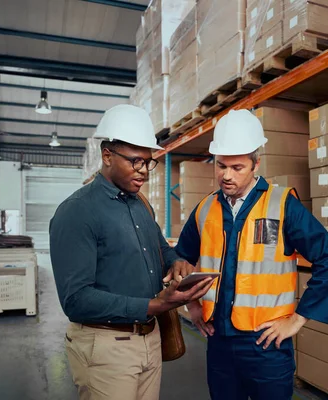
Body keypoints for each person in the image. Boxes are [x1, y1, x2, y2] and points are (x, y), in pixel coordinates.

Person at [175, 109, 328, 400]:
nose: (226, 176)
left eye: (237, 167)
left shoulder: (282, 205)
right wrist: (191, 305)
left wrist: (298, 319)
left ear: (256, 164)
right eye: (221, 166)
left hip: (265, 344)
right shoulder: (205, 208)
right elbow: (182, 258)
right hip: (218, 340)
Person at [49, 104, 214, 400]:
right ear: (107, 155)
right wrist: (154, 305)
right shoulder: (77, 212)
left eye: (148, 163)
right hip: (105, 348)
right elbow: (75, 300)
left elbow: (163, 251)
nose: (144, 172)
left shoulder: (140, 205)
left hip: (149, 339)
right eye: (136, 162)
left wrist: (178, 264)